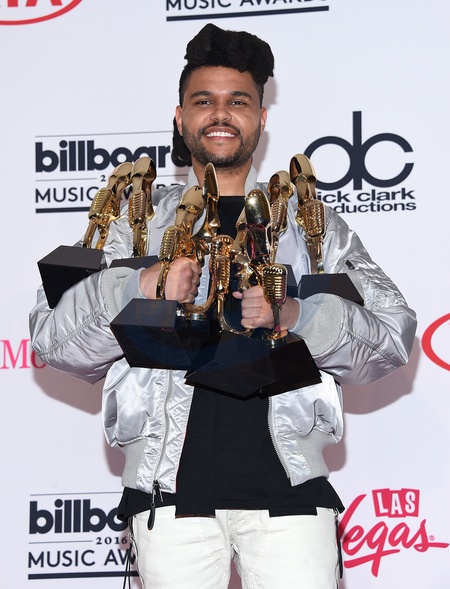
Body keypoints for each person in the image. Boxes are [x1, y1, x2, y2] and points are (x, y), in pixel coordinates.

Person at [29, 23, 417, 589]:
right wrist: (138, 285)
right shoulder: (129, 225)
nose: (220, 114)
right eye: (203, 100)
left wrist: (297, 314)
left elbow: (392, 338)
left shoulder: (313, 228)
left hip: (292, 498)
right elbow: (51, 339)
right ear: (180, 116)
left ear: (260, 117)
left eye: (238, 101)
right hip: (167, 502)